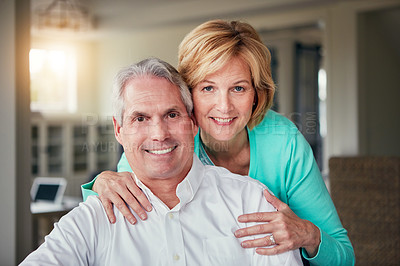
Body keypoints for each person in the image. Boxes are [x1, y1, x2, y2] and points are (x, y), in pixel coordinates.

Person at [82, 20, 355, 265]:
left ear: (256, 94)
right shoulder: (168, 143)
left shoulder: (284, 142)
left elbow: (344, 256)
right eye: (208, 88)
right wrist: (101, 183)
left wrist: (308, 235)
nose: (224, 107)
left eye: (238, 88)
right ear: (188, 94)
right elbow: (107, 210)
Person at [21, 58, 303, 265]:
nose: (159, 135)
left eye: (171, 115)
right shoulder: (92, 220)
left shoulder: (252, 202)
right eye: (140, 118)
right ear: (119, 130)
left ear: (193, 123)